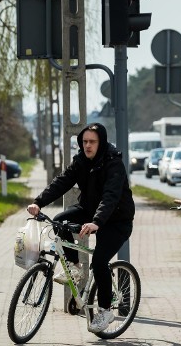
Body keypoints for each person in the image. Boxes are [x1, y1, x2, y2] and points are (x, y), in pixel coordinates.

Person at [26, 123, 135, 333]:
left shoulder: (114, 164)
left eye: (92, 142)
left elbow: (110, 196)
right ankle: (74, 267)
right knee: (59, 221)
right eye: (84, 141)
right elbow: (61, 182)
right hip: (89, 210)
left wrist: (97, 222)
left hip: (116, 220)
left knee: (100, 261)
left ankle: (105, 311)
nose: (87, 145)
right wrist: (38, 202)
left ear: (101, 142)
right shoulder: (81, 161)